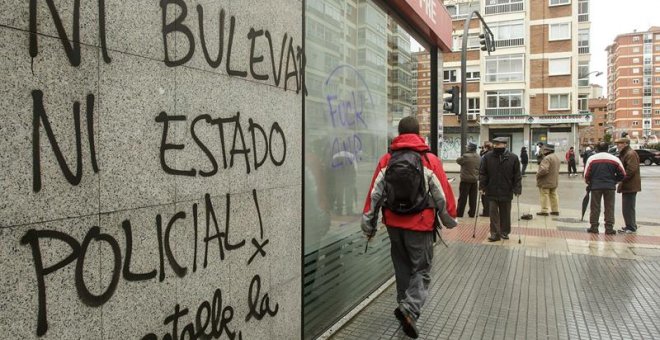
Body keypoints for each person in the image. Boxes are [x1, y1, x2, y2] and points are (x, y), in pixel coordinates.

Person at [360, 116, 457, 338]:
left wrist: (368, 225)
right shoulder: (429, 160)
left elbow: (374, 195)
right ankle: (410, 309)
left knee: (402, 268)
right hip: (420, 225)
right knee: (421, 270)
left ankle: (404, 308)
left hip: (394, 224)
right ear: (418, 132)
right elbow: (442, 195)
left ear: (399, 133)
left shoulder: (387, 159)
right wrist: (450, 219)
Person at [479, 137, 522, 242]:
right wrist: (482, 186)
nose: (497, 146)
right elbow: (483, 173)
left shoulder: (513, 158)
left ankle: (504, 232)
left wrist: (517, 188)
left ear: (505, 145)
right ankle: (495, 233)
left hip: (506, 190)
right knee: (493, 213)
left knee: (505, 213)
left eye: (500, 144)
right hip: (491, 190)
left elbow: (517, 175)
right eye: (495, 144)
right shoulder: (487, 157)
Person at [584, 142, 626, 235]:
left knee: (595, 207)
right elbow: (623, 174)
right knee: (609, 207)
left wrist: (589, 182)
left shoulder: (592, 159)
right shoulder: (615, 159)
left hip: (595, 187)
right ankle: (609, 228)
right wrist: (614, 181)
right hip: (610, 187)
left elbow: (586, 174)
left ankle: (594, 227)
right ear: (608, 149)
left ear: (597, 149)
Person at [615, 136, 641, 233]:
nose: (618, 146)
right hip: (628, 185)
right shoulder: (626, 153)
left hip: (630, 185)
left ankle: (631, 227)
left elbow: (630, 171)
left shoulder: (630, 154)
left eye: (620, 143)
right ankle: (630, 225)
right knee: (627, 207)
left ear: (626, 144)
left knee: (628, 207)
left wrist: (621, 179)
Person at [536, 144, 561, 216]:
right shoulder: (556, 157)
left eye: (544, 149)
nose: (543, 151)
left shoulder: (547, 158)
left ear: (548, 150)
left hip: (545, 181)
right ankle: (555, 210)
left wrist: (538, 174)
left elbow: (544, 169)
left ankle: (544, 211)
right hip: (554, 180)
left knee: (544, 195)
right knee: (554, 195)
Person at [456, 142, 480, 218]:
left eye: (467, 147)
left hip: (465, 180)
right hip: (474, 180)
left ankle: (460, 213)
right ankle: (472, 213)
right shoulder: (479, 157)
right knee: (473, 198)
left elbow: (458, 161)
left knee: (462, 198)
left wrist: (466, 153)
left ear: (469, 148)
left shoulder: (465, 156)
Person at [479, 141, 492, 217]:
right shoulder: (494, 155)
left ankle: (486, 211)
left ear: (486, 148)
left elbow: (482, 168)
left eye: (483, 147)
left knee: (484, 196)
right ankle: (489, 211)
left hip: (486, 179)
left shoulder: (485, 156)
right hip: (492, 179)